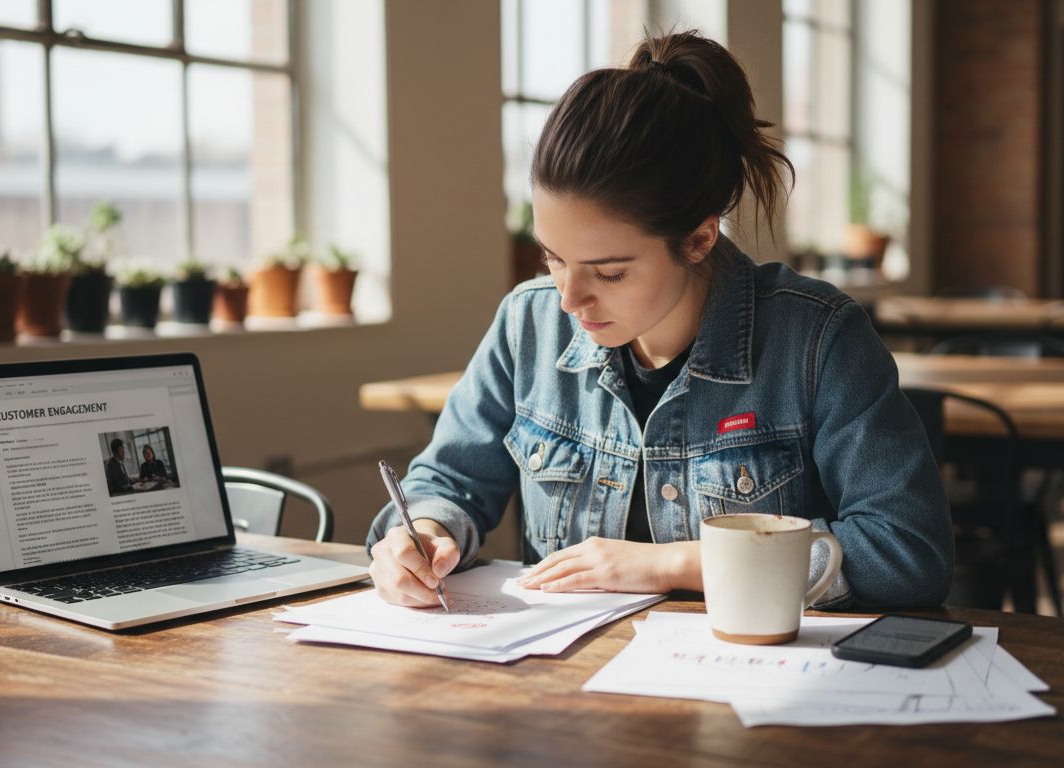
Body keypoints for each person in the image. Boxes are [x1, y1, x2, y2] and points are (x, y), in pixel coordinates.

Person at [367, 31, 952, 610]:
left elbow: (907, 551)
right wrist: (423, 533)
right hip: (567, 680)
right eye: (553, 257)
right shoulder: (529, 323)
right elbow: (446, 484)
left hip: (750, 678)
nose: (570, 299)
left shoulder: (818, 339)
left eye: (610, 272)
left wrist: (674, 563)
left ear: (698, 239)